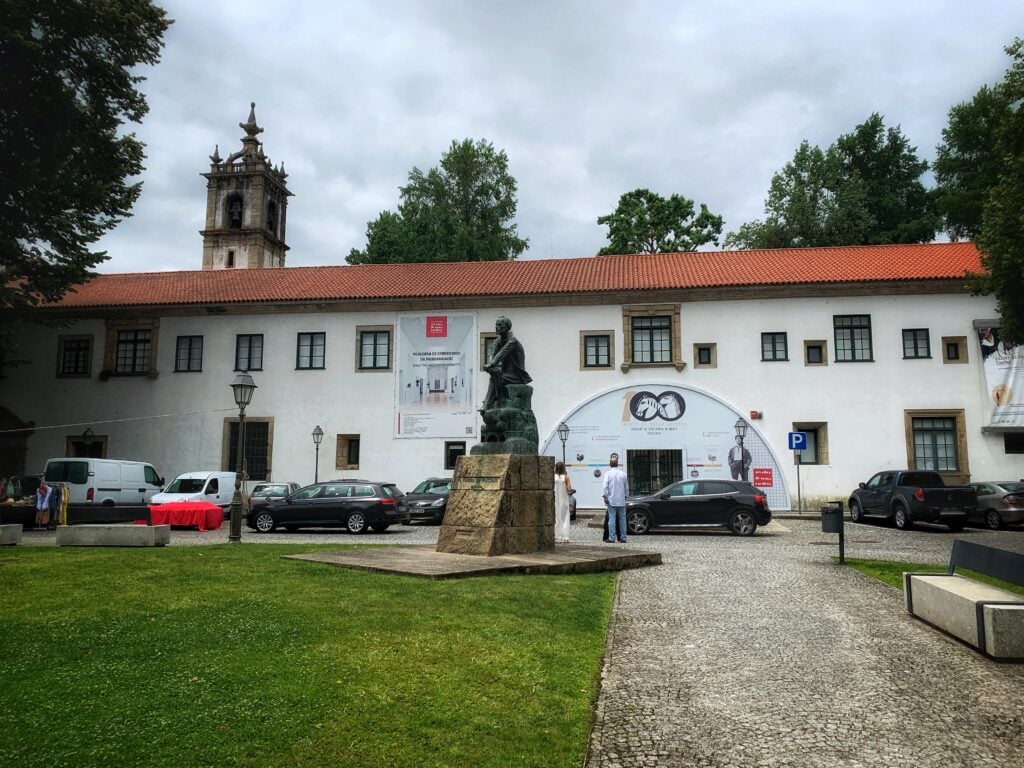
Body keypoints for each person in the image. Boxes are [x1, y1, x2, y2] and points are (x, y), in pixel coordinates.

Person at [481, 316, 532, 410]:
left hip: (517, 375)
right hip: (506, 374)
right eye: (496, 325)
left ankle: (488, 403)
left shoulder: (513, 341)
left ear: (508, 327)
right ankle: (492, 402)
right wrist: (490, 364)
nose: (497, 327)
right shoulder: (498, 341)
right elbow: (493, 354)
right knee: (494, 374)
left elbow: (502, 353)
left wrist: (491, 364)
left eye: (500, 325)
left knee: (494, 377)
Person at [601, 453, 629, 543]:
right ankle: (623, 538)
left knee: (612, 519)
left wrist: (605, 496)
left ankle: (612, 538)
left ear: (610, 464)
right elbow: (626, 487)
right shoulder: (623, 474)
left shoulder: (608, 474)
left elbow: (605, 486)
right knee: (622, 519)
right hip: (621, 500)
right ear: (617, 464)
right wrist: (626, 496)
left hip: (612, 500)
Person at [553, 461, 572, 544]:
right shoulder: (566, 477)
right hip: (564, 500)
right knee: (565, 517)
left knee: (556, 517)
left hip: (555, 500)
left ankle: (556, 536)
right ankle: (565, 537)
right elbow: (569, 489)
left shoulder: (553, 477)